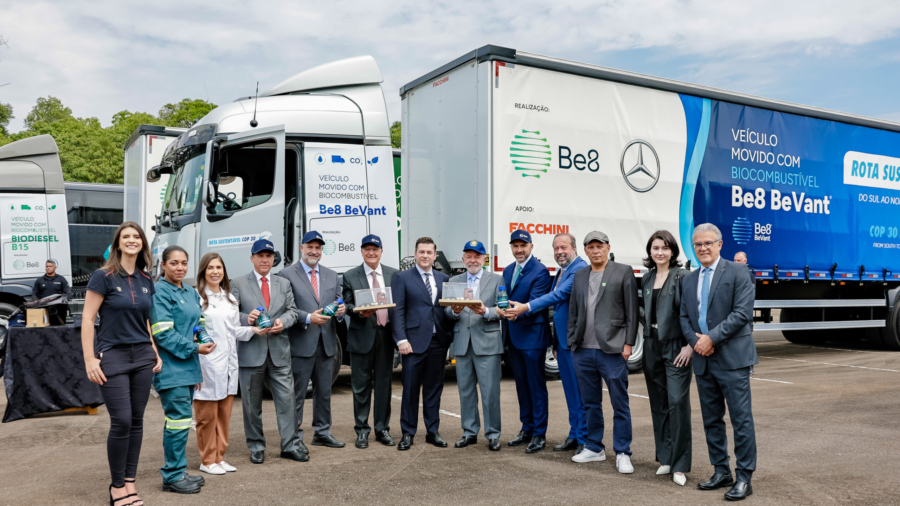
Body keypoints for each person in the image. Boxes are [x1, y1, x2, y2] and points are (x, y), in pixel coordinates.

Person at [81, 222, 163, 506]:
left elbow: (147, 322)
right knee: (122, 421)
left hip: (142, 356)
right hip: (112, 355)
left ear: (142, 243)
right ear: (117, 244)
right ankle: (116, 487)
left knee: (137, 421)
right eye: (126, 236)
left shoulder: (146, 279)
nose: (131, 240)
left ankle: (130, 483)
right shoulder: (102, 277)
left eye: (136, 236)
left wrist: (155, 351)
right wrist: (90, 358)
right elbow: (88, 319)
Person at [680, 223, 758, 501]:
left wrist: (710, 338)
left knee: (741, 420)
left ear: (720, 244)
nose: (703, 248)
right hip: (703, 360)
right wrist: (696, 341)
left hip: (732, 359)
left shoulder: (738, 272)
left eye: (708, 243)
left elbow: (742, 314)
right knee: (712, 420)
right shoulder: (689, 279)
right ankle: (721, 470)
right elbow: (684, 318)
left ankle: (744, 477)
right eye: (698, 244)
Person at [505, 232, 588, 454]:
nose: (560, 252)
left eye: (564, 248)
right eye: (556, 248)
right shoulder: (562, 271)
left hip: (573, 341)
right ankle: (574, 434)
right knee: (570, 390)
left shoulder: (579, 269)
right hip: (561, 340)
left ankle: (583, 439)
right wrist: (554, 340)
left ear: (574, 248)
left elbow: (557, 296)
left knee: (578, 392)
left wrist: (526, 307)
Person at [566, 231, 638, 474]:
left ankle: (623, 452)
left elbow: (632, 311)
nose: (595, 250)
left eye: (600, 246)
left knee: (620, 403)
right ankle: (594, 447)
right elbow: (573, 311)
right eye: (591, 247)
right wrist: (570, 342)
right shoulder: (579, 275)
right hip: (583, 350)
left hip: (613, 349)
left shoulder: (623, 271)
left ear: (608, 247)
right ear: (584, 250)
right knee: (590, 403)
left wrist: (628, 344)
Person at [230, 239, 305, 464]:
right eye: (260, 255)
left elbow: (292, 310)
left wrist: (283, 321)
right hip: (251, 351)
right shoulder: (238, 283)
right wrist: (247, 318)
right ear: (252, 258)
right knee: (251, 405)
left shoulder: (283, 283)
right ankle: (256, 446)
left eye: (269, 256)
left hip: (279, 351)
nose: (265, 259)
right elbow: (231, 314)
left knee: (287, 401)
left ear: (274, 259)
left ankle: (290, 445)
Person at [150, 245, 217, 494]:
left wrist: (204, 339)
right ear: (163, 265)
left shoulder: (189, 291)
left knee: (181, 421)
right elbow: (163, 334)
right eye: (174, 263)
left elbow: (198, 322)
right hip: (171, 369)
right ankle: (172, 475)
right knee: (177, 422)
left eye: (184, 263)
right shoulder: (159, 292)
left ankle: (178, 470)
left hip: (188, 366)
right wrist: (195, 349)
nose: (180, 267)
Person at [194, 252, 263, 475]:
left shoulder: (230, 299)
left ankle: (219, 457)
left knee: (224, 415)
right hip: (206, 364)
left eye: (219, 268)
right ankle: (207, 460)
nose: (215, 272)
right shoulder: (197, 298)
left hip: (229, 365)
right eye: (210, 268)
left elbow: (234, 331)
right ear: (203, 271)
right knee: (207, 417)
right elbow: (193, 332)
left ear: (224, 271)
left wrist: (253, 330)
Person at [277, 231, 347, 449]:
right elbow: (284, 309)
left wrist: (341, 311)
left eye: (318, 248)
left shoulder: (331, 275)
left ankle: (322, 432)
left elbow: (337, 303)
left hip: (326, 343)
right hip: (300, 343)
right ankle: (294, 437)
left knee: (324, 392)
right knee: (296, 394)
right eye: (310, 247)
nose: (314, 251)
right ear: (301, 248)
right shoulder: (286, 274)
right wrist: (308, 317)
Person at [640, 231, 692, 486]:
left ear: (673, 251)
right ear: (650, 251)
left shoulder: (682, 277)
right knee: (658, 402)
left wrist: (689, 345)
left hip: (676, 346)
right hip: (651, 345)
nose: (659, 252)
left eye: (664, 247)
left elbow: (691, 312)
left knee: (678, 402)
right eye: (655, 247)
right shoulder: (647, 277)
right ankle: (666, 458)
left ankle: (681, 465)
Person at [392, 237, 451, 451]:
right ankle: (407, 433)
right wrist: (401, 340)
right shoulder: (402, 278)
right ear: (415, 254)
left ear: (435, 256)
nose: (425, 255)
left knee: (434, 389)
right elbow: (397, 311)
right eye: (421, 252)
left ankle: (432, 431)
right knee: (410, 390)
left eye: (429, 252)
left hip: (438, 342)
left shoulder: (444, 278)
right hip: (412, 343)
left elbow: (447, 310)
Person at [445, 240, 504, 451]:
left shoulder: (497, 279)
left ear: (484, 259)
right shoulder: (455, 280)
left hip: (487, 343)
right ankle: (469, 432)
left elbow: (503, 309)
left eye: (477, 256)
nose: (473, 260)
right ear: (463, 258)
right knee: (466, 391)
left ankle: (493, 434)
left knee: (490, 393)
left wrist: (486, 312)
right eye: (469, 256)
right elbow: (447, 311)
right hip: (462, 343)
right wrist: (456, 311)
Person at [497, 229, 552, 454]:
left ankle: (539, 433)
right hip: (514, 337)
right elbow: (503, 299)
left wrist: (512, 313)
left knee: (536, 387)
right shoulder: (508, 270)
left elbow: (536, 304)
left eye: (523, 246)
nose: (519, 250)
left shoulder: (540, 271)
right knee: (521, 385)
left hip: (532, 338)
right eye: (515, 246)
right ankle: (526, 427)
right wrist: (500, 310)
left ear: (531, 247)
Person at [342, 234, 399, 448]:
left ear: (381, 251)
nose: (371, 253)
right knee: (361, 386)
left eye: (375, 249)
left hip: (386, 336)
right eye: (367, 249)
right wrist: (358, 312)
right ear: (362, 251)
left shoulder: (394, 274)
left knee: (384, 385)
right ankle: (362, 430)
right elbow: (346, 305)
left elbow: (400, 305)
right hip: (361, 336)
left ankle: (382, 429)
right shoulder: (350, 275)